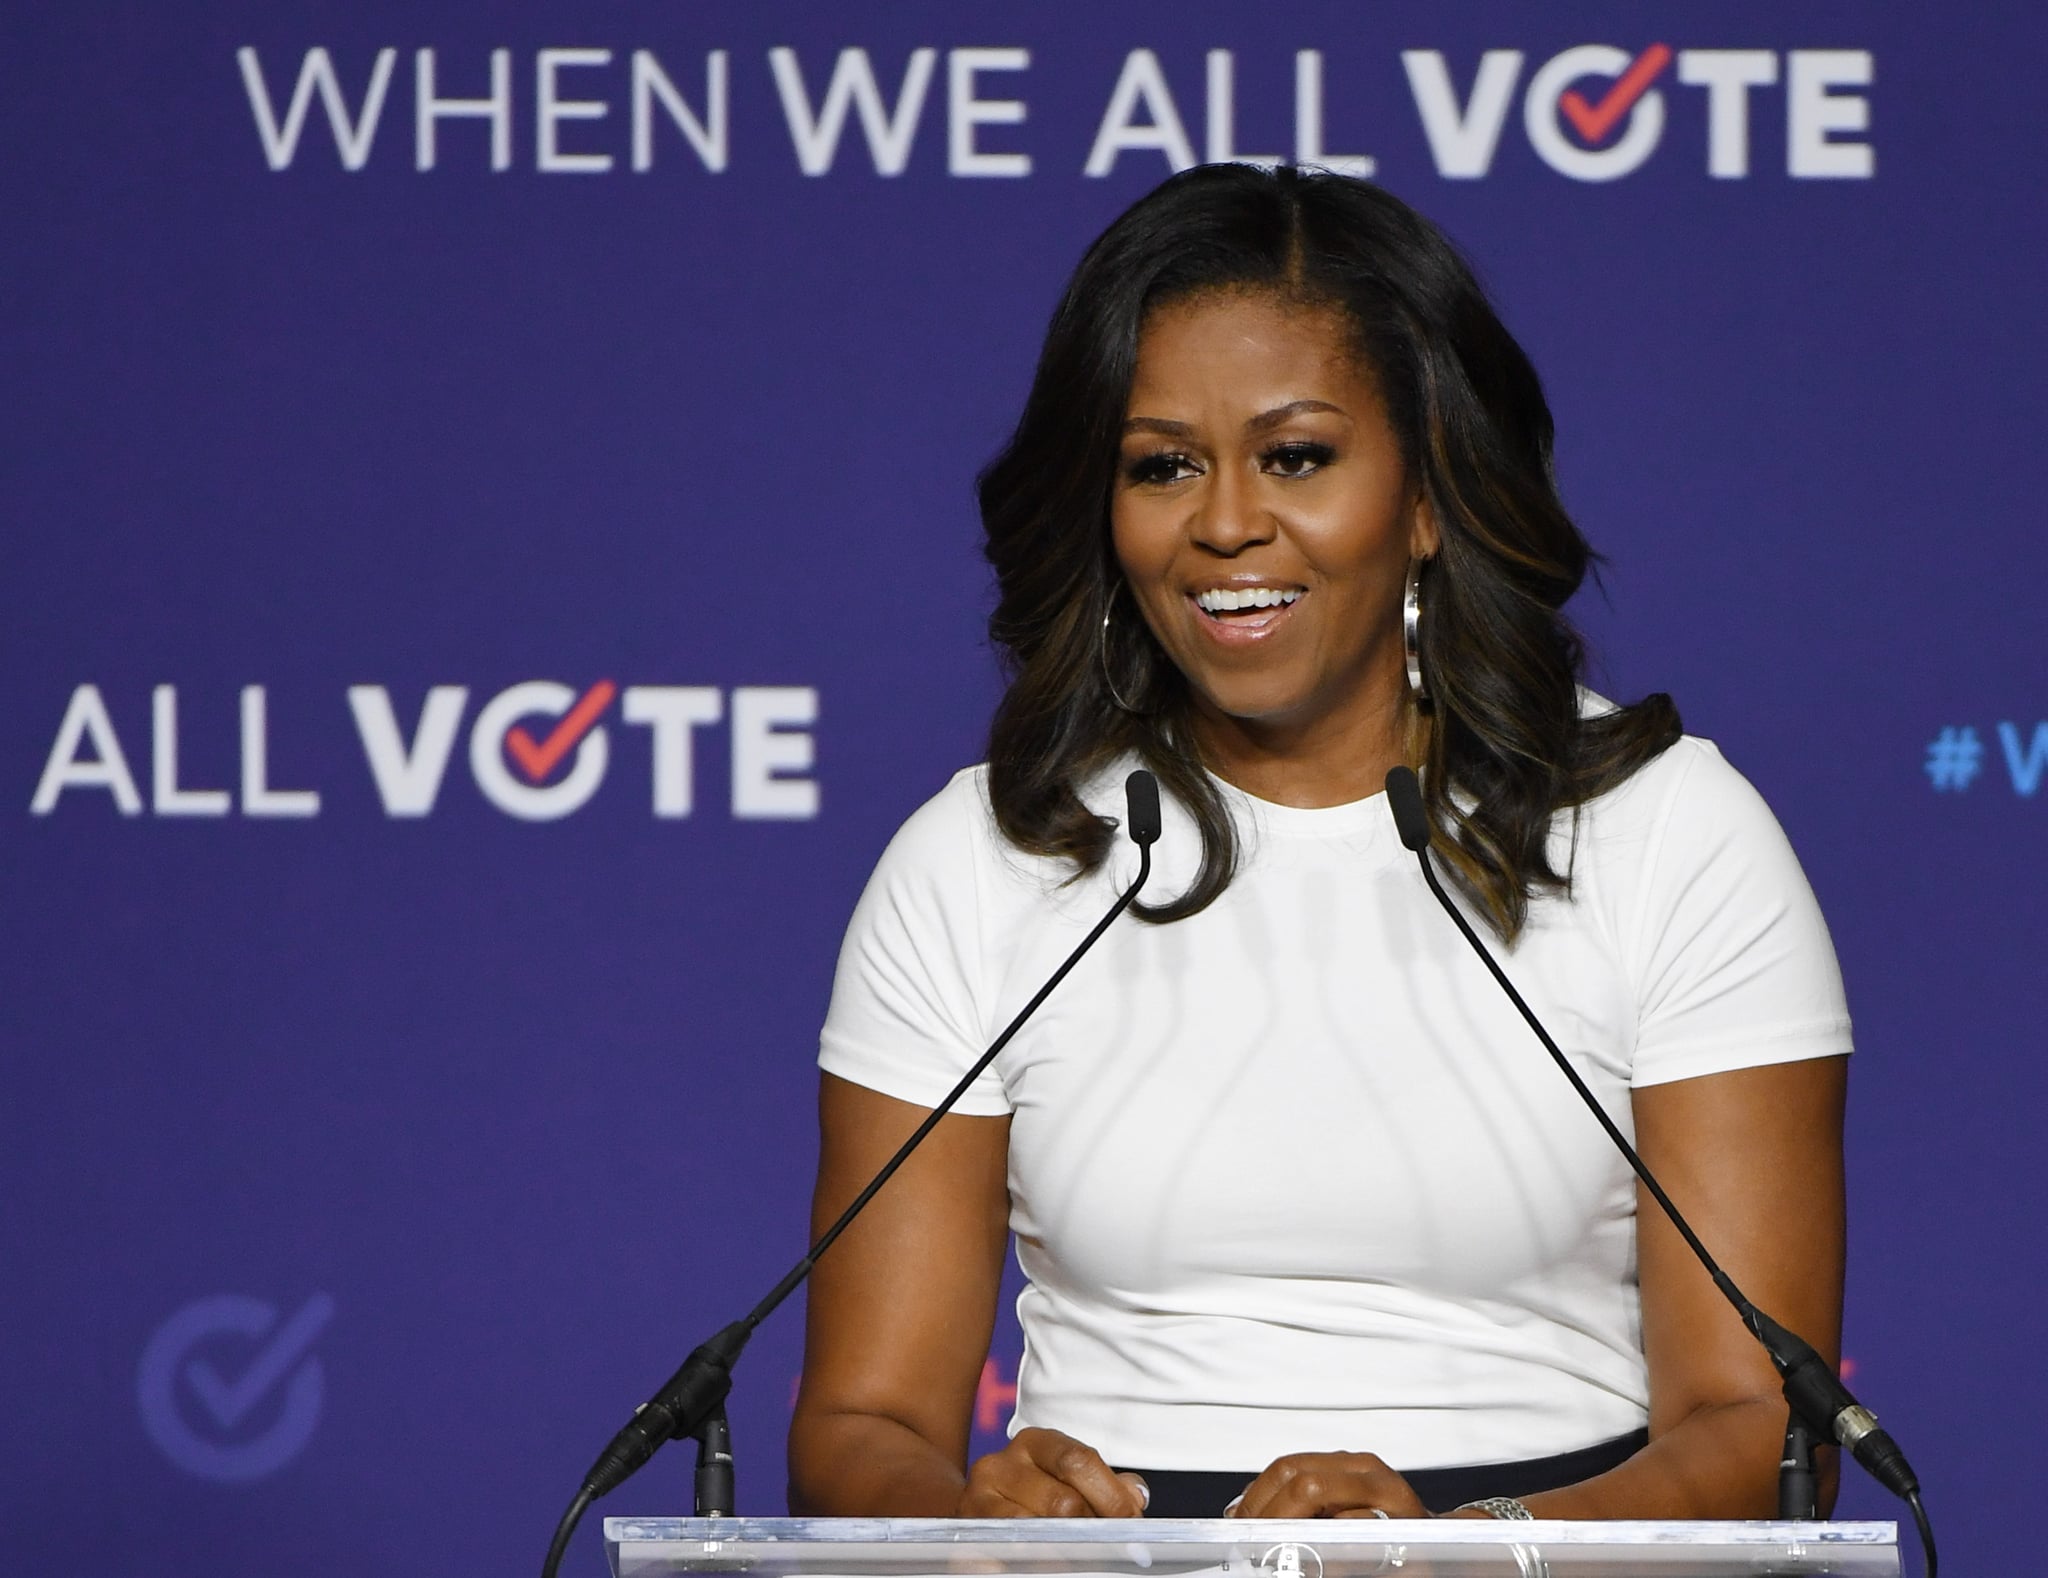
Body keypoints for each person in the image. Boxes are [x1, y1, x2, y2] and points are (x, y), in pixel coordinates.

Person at [786, 164, 1850, 1522]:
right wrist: (971, 1530)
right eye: (1162, 465)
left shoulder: (1667, 835)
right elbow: (861, 1421)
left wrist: (1474, 1560)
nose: (1226, 522)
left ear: (1425, 496)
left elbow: (1758, 1421)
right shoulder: (985, 856)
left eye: (1297, 455)